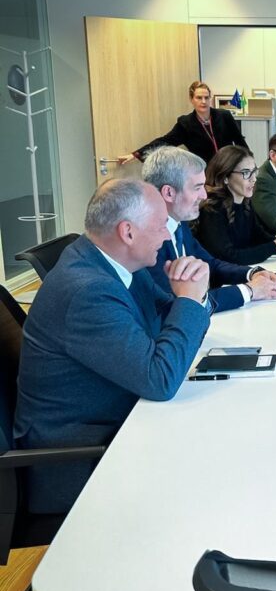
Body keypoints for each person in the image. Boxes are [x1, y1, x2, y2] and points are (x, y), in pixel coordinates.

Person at [13, 179, 211, 513]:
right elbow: (159, 379)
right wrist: (190, 302)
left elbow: (167, 313)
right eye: (161, 225)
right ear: (128, 233)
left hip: (120, 420)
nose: (167, 236)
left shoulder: (114, 263)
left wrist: (193, 294)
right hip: (83, 455)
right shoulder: (87, 291)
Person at [142, 146, 276, 310]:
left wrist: (252, 273)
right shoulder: (147, 240)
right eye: (197, 188)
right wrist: (249, 291)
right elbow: (176, 303)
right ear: (169, 193)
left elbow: (211, 263)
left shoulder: (178, 222)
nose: (204, 195)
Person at [195, 145, 276, 266]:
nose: (254, 179)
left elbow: (258, 237)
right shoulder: (212, 209)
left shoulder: (245, 203)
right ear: (226, 177)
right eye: (246, 173)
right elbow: (227, 256)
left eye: (254, 171)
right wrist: (274, 247)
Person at [117, 81, 248, 166]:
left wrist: (249, 162)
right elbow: (164, 141)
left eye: (206, 97)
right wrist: (136, 154)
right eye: (199, 98)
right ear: (191, 99)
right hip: (206, 173)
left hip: (229, 168)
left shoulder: (224, 116)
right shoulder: (186, 124)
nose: (203, 101)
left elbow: (240, 141)